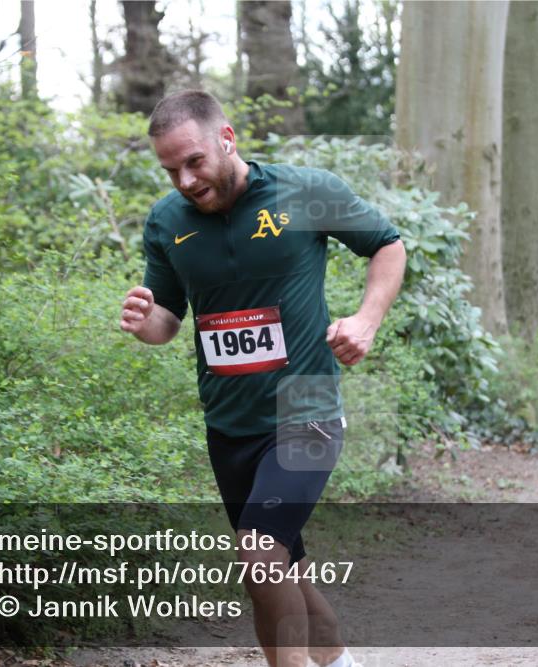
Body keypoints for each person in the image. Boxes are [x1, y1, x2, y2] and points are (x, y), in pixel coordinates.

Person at [120, 90, 406, 667]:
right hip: (229, 422)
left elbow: (387, 245)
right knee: (282, 574)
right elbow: (169, 320)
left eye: (194, 161)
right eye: (170, 169)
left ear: (226, 139)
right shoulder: (166, 221)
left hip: (307, 406)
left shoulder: (303, 191)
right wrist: (146, 320)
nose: (184, 181)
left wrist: (366, 320)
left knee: (258, 552)